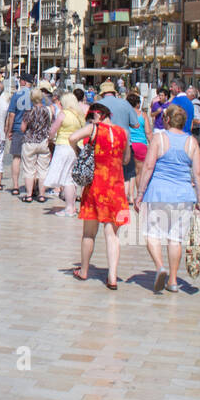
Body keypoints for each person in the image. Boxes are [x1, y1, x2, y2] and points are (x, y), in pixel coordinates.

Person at [134, 104, 200, 293]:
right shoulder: (192, 142)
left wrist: (139, 194)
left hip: (159, 193)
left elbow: (148, 167)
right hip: (184, 196)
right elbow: (197, 174)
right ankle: (173, 280)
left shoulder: (159, 139)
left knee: (152, 234)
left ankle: (160, 266)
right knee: (175, 239)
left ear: (167, 120)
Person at [70, 102, 132, 289]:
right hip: (116, 186)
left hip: (96, 184)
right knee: (112, 233)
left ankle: (84, 270)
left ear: (98, 115)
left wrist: (79, 152)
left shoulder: (94, 129)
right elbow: (126, 159)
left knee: (89, 232)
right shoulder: (123, 133)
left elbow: (72, 137)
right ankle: (112, 276)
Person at [96, 80, 143, 199]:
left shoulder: (97, 105)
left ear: (102, 93)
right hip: (124, 143)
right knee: (126, 174)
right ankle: (123, 198)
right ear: (114, 92)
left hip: (104, 144)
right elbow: (136, 124)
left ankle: (107, 197)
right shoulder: (125, 104)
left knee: (105, 173)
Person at [43, 93, 86, 217]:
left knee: (66, 179)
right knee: (70, 178)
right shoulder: (79, 115)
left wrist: (50, 139)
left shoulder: (64, 114)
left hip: (63, 146)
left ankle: (69, 208)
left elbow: (53, 130)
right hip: (75, 147)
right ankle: (71, 207)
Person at [20, 81, 55, 202]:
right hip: (43, 141)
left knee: (29, 169)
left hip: (30, 141)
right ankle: (41, 194)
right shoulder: (48, 110)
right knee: (43, 169)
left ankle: (29, 195)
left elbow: (23, 128)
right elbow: (52, 125)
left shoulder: (29, 111)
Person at [125, 91, 152, 179]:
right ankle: (139, 192)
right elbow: (148, 132)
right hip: (141, 144)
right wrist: (152, 144)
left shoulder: (126, 114)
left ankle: (130, 192)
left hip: (129, 144)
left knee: (128, 173)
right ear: (138, 103)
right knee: (139, 173)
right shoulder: (143, 115)